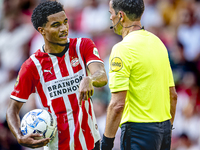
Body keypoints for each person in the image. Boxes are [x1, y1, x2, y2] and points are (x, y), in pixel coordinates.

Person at [6, 1, 108, 150]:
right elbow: (12, 109)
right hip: (57, 146)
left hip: (90, 143)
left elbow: (101, 75)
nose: (64, 28)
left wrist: (90, 79)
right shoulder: (32, 65)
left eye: (65, 22)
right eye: (56, 25)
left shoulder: (83, 46)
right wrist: (19, 137)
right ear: (42, 30)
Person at [101, 0, 178, 150]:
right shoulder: (158, 43)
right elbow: (173, 96)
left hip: (138, 133)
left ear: (121, 16)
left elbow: (117, 104)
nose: (111, 18)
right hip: (164, 131)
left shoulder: (122, 49)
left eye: (111, 13)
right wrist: (166, 131)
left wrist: (106, 143)